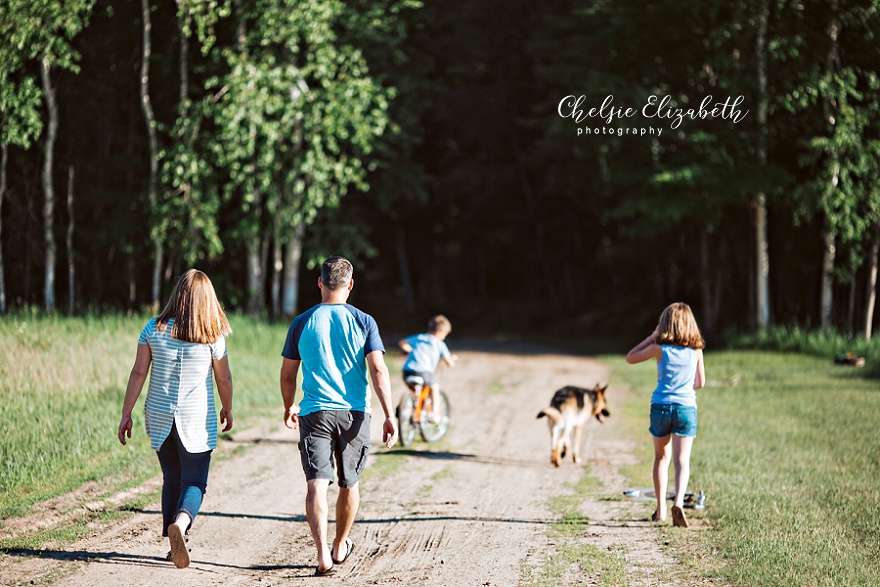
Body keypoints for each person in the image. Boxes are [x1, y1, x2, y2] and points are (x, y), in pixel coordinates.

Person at [280, 256, 397, 577]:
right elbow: (378, 369)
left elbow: (288, 375)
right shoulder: (364, 322)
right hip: (355, 414)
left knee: (316, 483)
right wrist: (390, 414)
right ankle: (339, 544)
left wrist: (289, 405)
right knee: (349, 482)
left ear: (319, 282)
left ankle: (322, 555)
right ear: (350, 284)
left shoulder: (302, 322)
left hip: (314, 412)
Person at [117, 269, 234, 568]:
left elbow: (139, 372)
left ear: (177, 295)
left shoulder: (152, 329)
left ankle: (173, 543)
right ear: (207, 300)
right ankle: (180, 526)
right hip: (195, 419)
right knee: (194, 481)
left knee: (172, 477)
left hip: (158, 414)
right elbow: (223, 379)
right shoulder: (212, 336)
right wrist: (227, 408)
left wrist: (126, 413)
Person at [625, 302, 705, 528]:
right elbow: (700, 383)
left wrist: (652, 338)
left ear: (664, 325)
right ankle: (678, 502)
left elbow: (630, 357)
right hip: (686, 409)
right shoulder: (696, 351)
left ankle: (660, 510)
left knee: (661, 458)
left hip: (660, 407)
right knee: (682, 461)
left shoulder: (658, 349)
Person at [398, 315, 458, 419]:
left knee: (416, 390)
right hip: (424, 372)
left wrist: (410, 351)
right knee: (434, 388)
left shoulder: (419, 337)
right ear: (440, 332)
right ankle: (435, 415)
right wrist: (453, 359)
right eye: (445, 334)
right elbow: (449, 363)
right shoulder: (439, 343)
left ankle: (407, 407)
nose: (444, 337)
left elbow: (402, 343)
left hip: (407, 370)